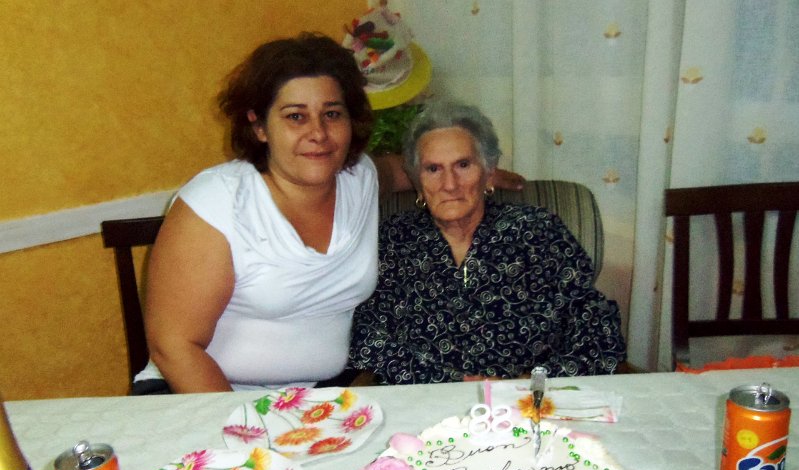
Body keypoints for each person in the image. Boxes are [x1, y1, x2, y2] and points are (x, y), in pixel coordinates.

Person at [135, 34, 525, 394]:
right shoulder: (216, 203)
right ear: (259, 127)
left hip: (322, 399)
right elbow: (174, 346)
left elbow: (401, 169)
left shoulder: (359, 179)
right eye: (296, 116)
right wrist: (249, 431)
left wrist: (471, 172)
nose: (318, 133)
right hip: (204, 398)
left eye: (332, 114)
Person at [349, 102, 626, 384]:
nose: (450, 184)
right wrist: (450, 382)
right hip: (425, 399)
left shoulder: (538, 231)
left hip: (526, 400)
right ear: (417, 181)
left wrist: (527, 383)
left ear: (489, 172)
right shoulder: (394, 240)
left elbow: (596, 328)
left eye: (463, 165)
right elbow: (366, 336)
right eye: (433, 169)